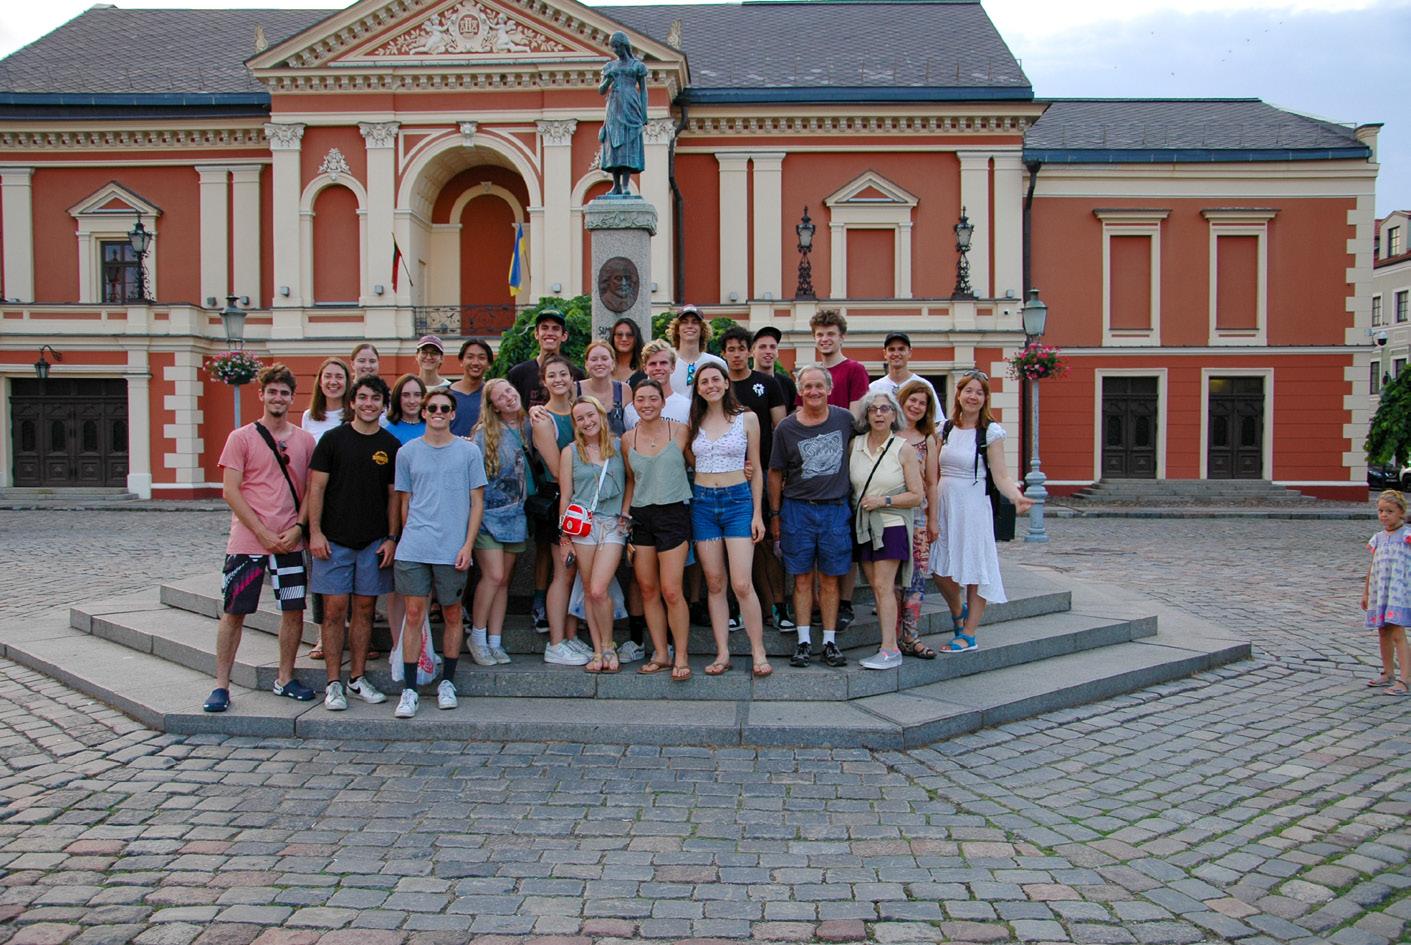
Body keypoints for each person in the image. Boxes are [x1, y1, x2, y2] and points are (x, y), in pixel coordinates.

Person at [204, 363, 316, 712]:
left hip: (289, 541)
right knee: (234, 612)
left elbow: (311, 490)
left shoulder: (305, 441)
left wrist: (298, 528)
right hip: (247, 542)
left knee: (293, 611)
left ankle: (285, 677)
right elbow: (231, 491)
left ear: (292, 398)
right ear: (262, 395)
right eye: (272, 392)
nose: (278, 398)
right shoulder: (241, 438)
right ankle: (221, 685)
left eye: (284, 393)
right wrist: (262, 531)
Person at [306, 374, 400, 710]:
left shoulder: (390, 445)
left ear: (384, 405)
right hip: (333, 541)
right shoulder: (332, 440)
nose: (368, 404)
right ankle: (333, 682)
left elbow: (394, 497)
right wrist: (315, 532)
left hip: (373, 542)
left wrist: (392, 538)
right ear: (352, 402)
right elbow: (316, 488)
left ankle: (357, 677)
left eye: (375, 399)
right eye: (362, 397)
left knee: (364, 610)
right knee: (333, 611)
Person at [392, 388, 486, 718]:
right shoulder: (407, 452)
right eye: (432, 407)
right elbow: (404, 501)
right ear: (423, 412)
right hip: (415, 546)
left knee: (452, 614)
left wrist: (467, 545)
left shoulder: (468, 452)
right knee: (414, 614)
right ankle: (410, 688)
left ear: (452, 414)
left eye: (444, 408)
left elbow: (477, 502)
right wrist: (406, 536)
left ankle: (448, 681)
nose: (438, 412)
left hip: (452, 547)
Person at [930, 370, 1033, 653]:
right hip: (945, 501)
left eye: (979, 392)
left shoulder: (990, 432)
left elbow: (1001, 475)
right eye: (968, 391)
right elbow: (932, 470)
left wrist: (1016, 497)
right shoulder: (944, 429)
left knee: (975, 568)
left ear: (985, 398)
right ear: (959, 394)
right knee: (938, 568)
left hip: (973, 505)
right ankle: (958, 610)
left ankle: (969, 633)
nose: (973, 396)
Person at [687, 363, 772, 678]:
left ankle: (758, 650)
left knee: (741, 583)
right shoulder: (694, 421)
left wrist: (758, 513)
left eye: (715, 379)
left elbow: (757, 468)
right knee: (714, 583)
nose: (710, 385)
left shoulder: (747, 418)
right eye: (703, 382)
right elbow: (690, 459)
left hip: (738, 502)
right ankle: (722, 652)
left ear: (726, 383)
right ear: (698, 389)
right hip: (703, 504)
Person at [768, 365, 856, 669]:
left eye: (819, 386)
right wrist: (775, 514)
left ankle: (830, 642)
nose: (814, 391)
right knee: (802, 579)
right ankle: (803, 641)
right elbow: (775, 473)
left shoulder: (845, 419)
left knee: (830, 579)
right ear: (799, 391)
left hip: (835, 509)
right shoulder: (786, 428)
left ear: (829, 389)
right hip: (797, 509)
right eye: (808, 386)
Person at [621, 379, 694, 681]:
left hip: (673, 514)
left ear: (663, 402)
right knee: (648, 590)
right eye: (641, 399)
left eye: (653, 398)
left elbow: (698, 465)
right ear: (633, 404)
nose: (647, 404)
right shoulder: (627, 439)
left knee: (671, 590)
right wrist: (625, 514)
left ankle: (682, 655)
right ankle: (661, 653)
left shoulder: (680, 431)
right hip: (641, 517)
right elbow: (631, 480)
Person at [849, 390, 924, 670]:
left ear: (894, 415)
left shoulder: (903, 448)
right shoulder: (855, 445)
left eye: (884, 409)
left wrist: (884, 501)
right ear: (866, 415)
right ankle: (887, 645)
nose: (878, 414)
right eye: (873, 409)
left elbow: (916, 495)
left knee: (883, 586)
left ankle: (890, 649)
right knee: (877, 588)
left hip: (891, 524)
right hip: (863, 526)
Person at [722, 326, 788, 630]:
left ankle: (779, 607)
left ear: (749, 351)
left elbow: (781, 430)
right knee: (733, 545)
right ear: (723, 353)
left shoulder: (767, 383)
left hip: (763, 474)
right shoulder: (719, 385)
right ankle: (736, 607)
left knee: (767, 543)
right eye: (730, 349)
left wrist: (780, 472)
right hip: (728, 478)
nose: (736, 355)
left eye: (741, 349)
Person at [560, 396, 629, 673]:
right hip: (582, 526)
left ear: (601, 415)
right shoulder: (570, 452)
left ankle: (609, 645)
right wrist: (564, 538)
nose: (587, 422)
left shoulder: (619, 446)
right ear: (575, 424)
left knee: (600, 588)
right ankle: (598, 650)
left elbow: (632, 481)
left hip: (612, 524)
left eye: (591, 415)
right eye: (580, 418)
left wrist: (626, 512)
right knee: (590, 590)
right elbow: (566, 496)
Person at [530, 355, 591, 663]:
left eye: (563, 374)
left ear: (572, 378)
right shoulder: (544, 419)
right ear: (544, 381)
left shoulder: (579, 410)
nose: (558, 379)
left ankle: (570, 635)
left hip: (583, 499)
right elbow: (557, 470)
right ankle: (555, 642)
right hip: (560, 500)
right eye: (551, 375)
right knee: (563, 572)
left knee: (576, 573)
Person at [468, 378, 531, 668]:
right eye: (500, 396)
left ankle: (495, 640)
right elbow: (473, 479)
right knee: (493, 576)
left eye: (509, 390)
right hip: (488, 516)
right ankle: (477, 637)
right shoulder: (484, 433)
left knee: (504, 580)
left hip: (516, 516)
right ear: (493, 406)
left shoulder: (530, 426)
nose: (508, 397)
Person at [895, 379, 940, 660]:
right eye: (912, 400)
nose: (916, 406)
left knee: (915, 579)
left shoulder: (928, 439)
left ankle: (911, 636)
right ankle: (891, 637)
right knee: (890, 578)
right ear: (902, 401)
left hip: (917, 516)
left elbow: (932, 482)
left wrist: (932, 519)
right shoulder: (887, 432)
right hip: (889, 514)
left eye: (922, 403)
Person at [1362, 489, 1411, 696]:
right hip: (1380, 591)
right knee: (1383, 630)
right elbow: (1372, 566)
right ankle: (1388, 672)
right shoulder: (1378, 539)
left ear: (1401, 512)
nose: (1384, 515)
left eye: (1389, 511)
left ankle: (1405, 678)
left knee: (1397, 632)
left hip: (1399, 591)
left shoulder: (1407, 536)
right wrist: (1366, 592)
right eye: (1381, 511)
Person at [598, 31, 647, 196]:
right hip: (614, 107)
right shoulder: (610, 67)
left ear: (624, 45)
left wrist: (644, 113)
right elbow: (601, 90)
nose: (615, 50)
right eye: (613, 47)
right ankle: (616, 185)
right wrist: (608, 79)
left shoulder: (637, 66)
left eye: (617, 46)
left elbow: (644, 91)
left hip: (631, 106)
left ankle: (625, 185)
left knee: (628, 144)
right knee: (613, 144)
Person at [507, 309, 583, 410]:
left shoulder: (576, 374)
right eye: (544, 328)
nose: (550, 333)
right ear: (536, 334)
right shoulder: (518, 374)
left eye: (555, 328)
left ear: (564, 336)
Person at [806, 309, 870, 410]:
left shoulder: (855, 370)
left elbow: (856, 416)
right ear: (814, 337)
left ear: (842, 337)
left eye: (830, 334)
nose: (824, 339)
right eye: (820, 335)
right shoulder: (810, 375)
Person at [868, 332, 940, 415]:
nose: (896, 354)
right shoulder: (874, 388)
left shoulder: (924, 386)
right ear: (885, 354)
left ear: (909, 352)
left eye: (901, 349)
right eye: (891, 349)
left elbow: (936, 419)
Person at [625, 340, 691, 425]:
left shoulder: (687, 407)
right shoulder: (631, 410)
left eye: (663, 363)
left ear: (673, 367)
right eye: (653, 364)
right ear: (645, 368)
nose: (658, 368)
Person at [576, 339, 632, 436]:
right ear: (586, 364)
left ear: (613, 363)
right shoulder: (574, 389)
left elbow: (632, 424)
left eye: (604, 359)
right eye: (594, 359)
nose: (599, 363)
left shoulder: (624, 390)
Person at [668, 305, 726, 394]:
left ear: (702, 329)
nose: (689, 326)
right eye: (684, 322)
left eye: (695, 322)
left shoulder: (717, 363)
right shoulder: (665, 363)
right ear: (677, 329)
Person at [300, 357, 351, 444]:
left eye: (339, 377)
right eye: (328, 376)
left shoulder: (355, 416)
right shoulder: (308, 416)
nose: (333, 382)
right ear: (320, 382)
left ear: (347, 382)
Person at [448, 337, 492, 435]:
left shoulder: (492, 396)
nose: (475, 363)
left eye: (481, 358)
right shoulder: (445, 395)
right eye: (470, 357)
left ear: (489, 364)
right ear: (461, 361)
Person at [752, 326, 796, 415]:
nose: (768, 351)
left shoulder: (787, 383)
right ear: (752, 351)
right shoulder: (745, 381)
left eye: (772, 347)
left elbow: (795, 412)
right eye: (762, 347)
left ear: (777, 352)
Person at [385, 374, 427, 444]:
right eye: (406, 395)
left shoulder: (433, 428)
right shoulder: (388, 432)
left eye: (417, 395)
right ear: (397, 398)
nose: (412, 401)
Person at [611, 317, 644, 384]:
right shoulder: (604, 367)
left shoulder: (646, 369)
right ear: (613, 338)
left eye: (629, 335)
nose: (624, 339)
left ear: (636, 338)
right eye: (619, 334)